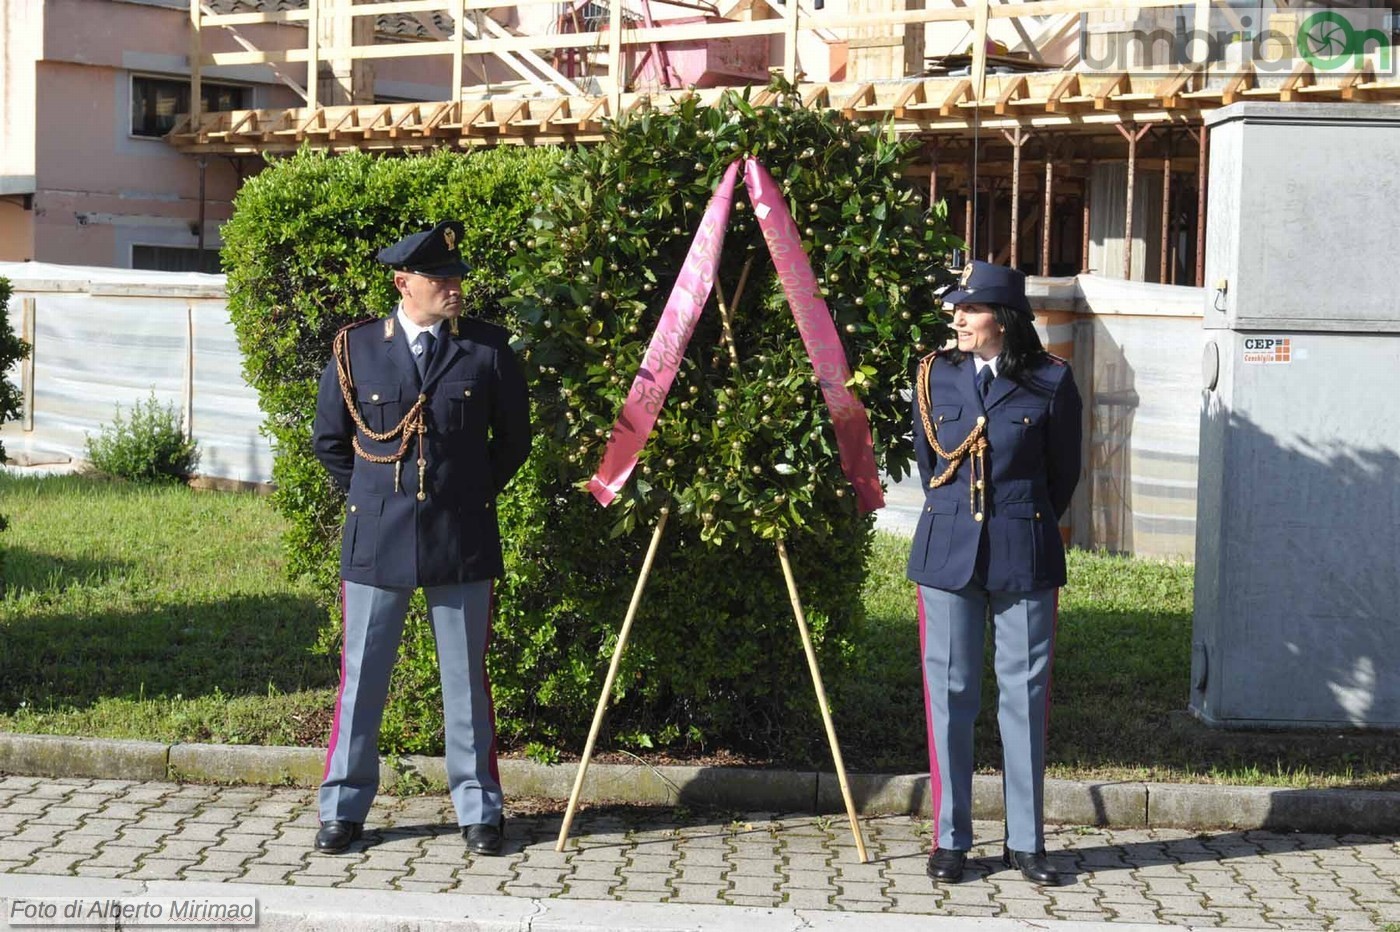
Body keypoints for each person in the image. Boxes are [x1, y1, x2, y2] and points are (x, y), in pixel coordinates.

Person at [310, 220, 531, 857]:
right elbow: (332, 443)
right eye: (441, 278)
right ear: (404, 283)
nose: (455, 287)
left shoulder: (486, 350)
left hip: (459, 537)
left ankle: (479, 810)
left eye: (457, 277)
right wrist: (381, 499)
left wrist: (465, 494)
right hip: (377, 539)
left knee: (466, 680)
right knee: (362, 681)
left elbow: (512, 442)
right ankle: (344, 809)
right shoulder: (357, 349)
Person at [907, 260, 1082, 886]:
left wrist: (1019, 520)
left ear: (1002, 320)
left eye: (969, 309)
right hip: (947, 552)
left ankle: (1026, 841)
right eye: (956, 308)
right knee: (950, 697)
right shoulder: (933, 376)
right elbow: (933, 462)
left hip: (1023, 550)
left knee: (1024, 697)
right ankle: (951, 840)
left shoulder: (1050, 380)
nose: (956, 317)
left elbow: (1062, 476)